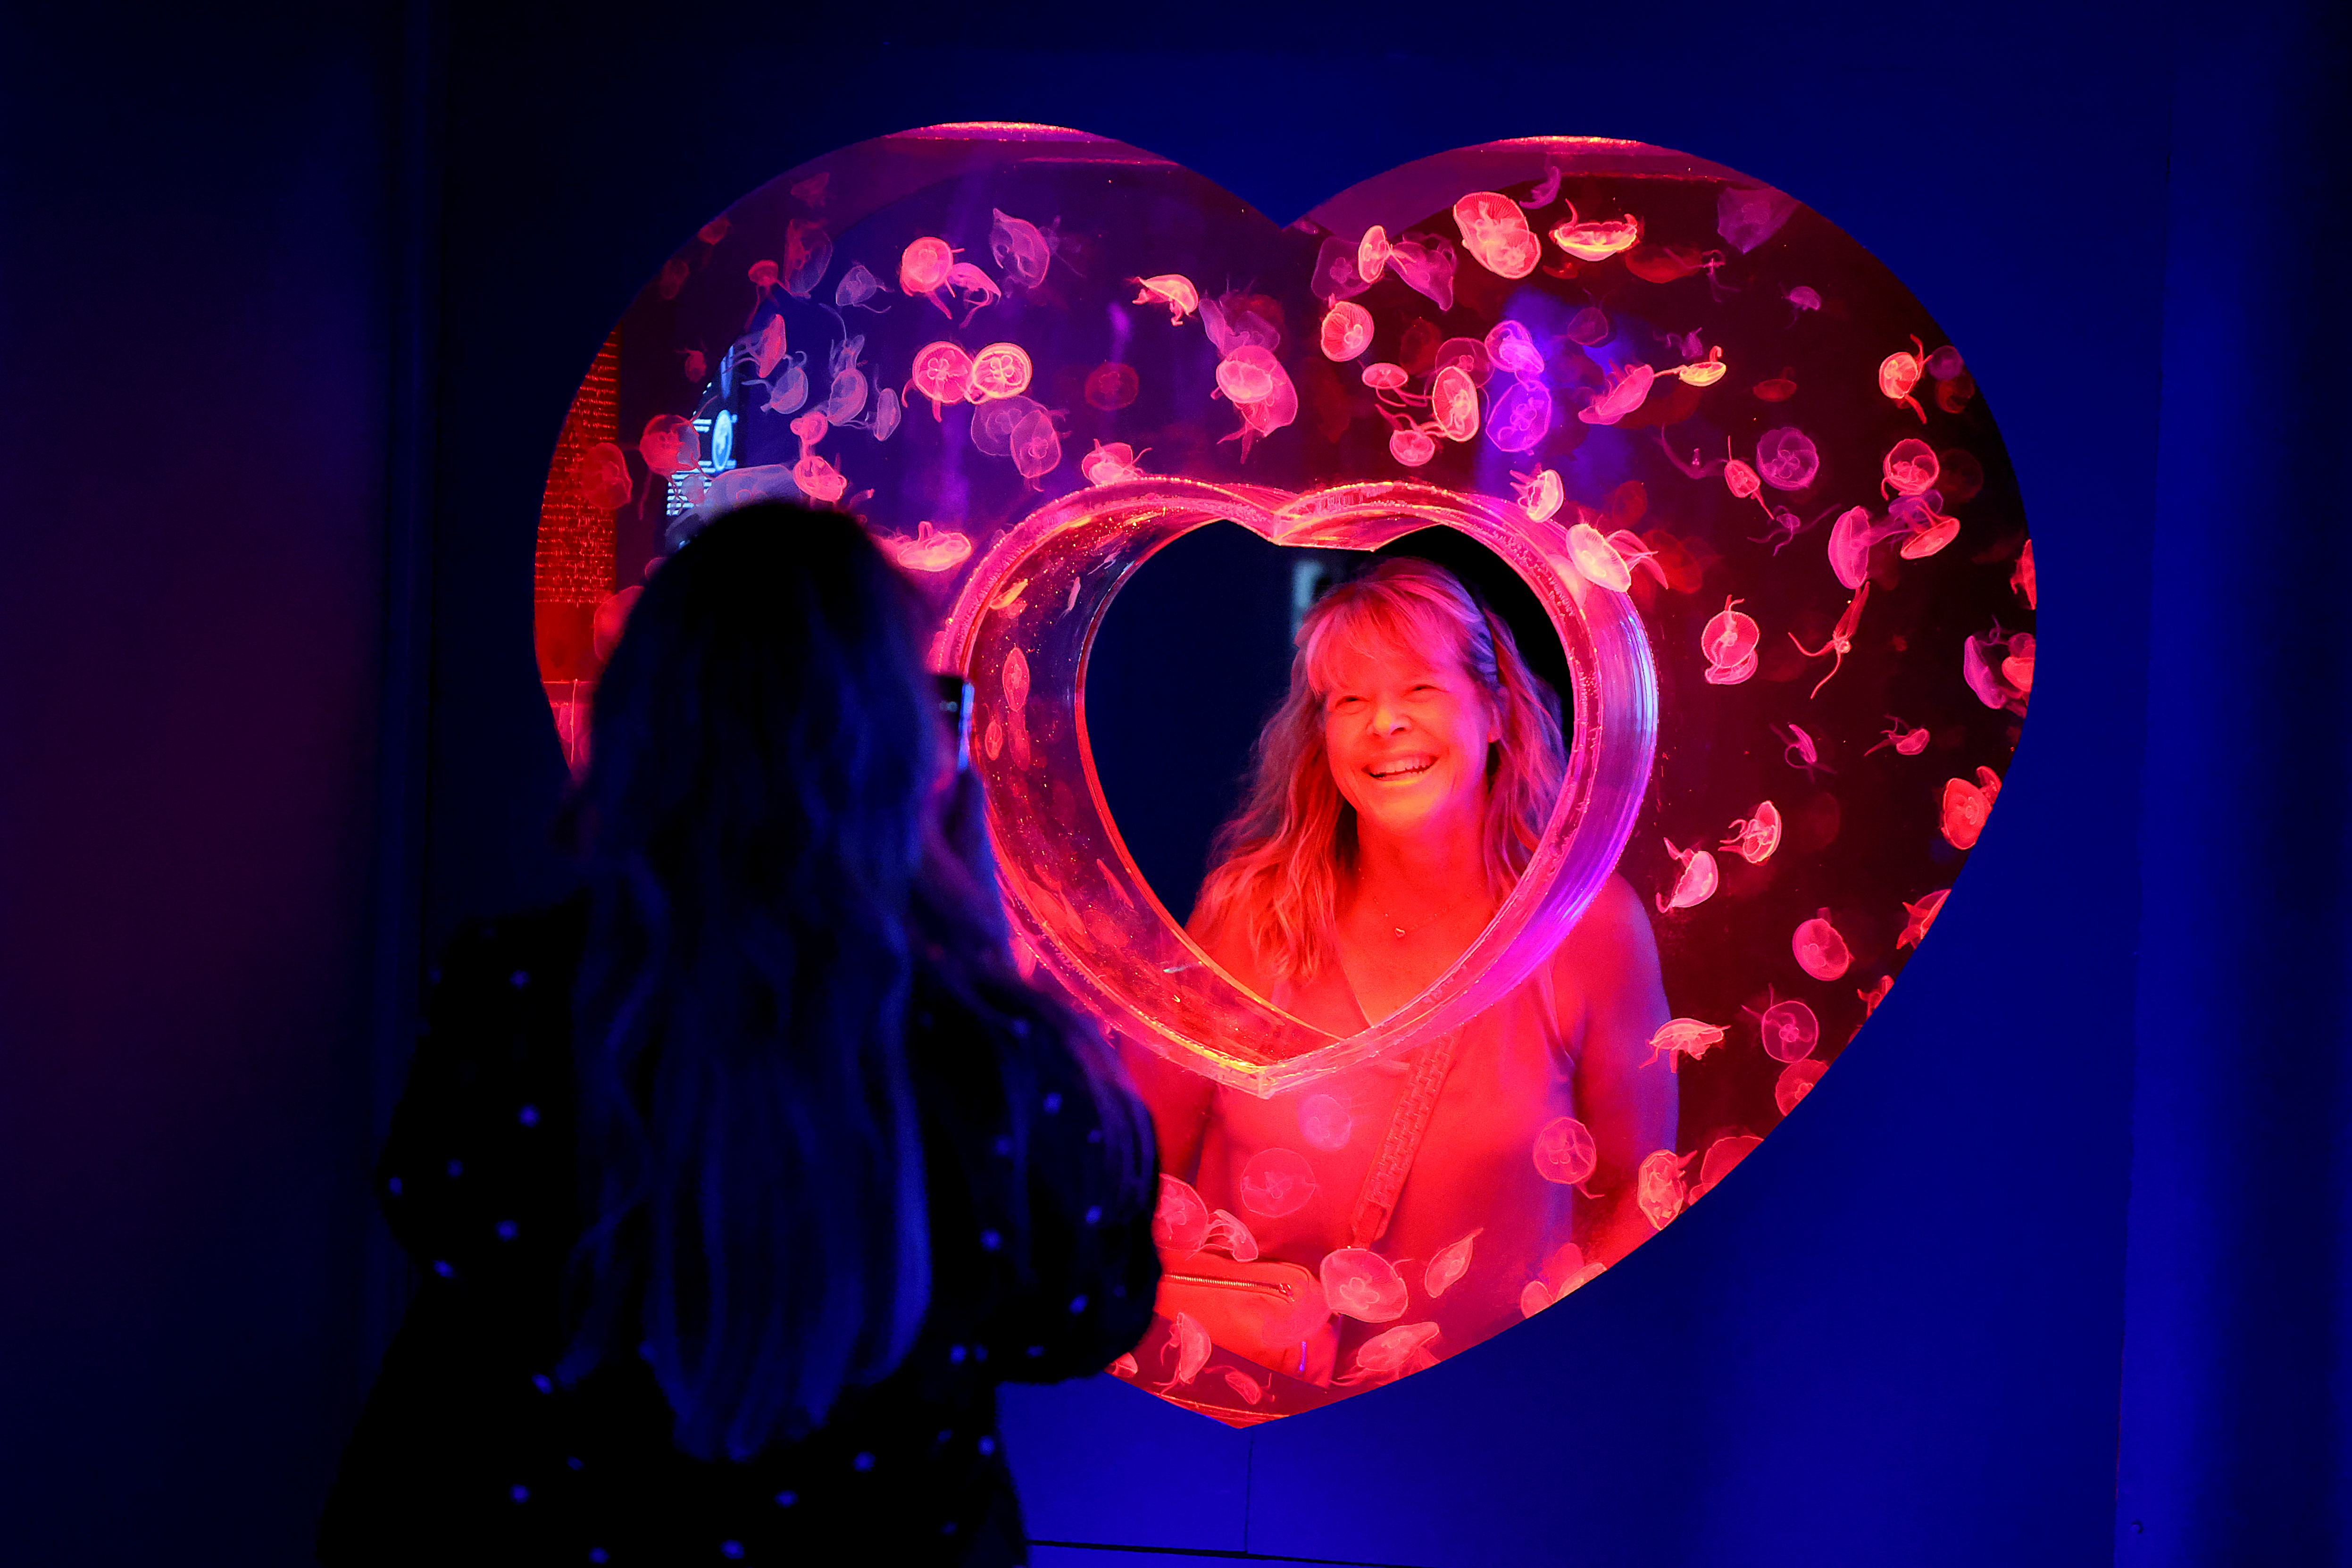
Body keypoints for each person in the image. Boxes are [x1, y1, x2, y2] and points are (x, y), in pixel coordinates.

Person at [320, 503, 1159, 1564]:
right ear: (906, 748)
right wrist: (981, 968)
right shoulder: (994, 1062)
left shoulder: (515, 990)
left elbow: (440, 1220)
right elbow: (1081, 1319)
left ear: (638, 725)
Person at [1132, 555, 1673, 1398]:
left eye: (1419, 688)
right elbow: (1131, 1171)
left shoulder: (1589, 927)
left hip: (1480, 1436)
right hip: (1237, 1429)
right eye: (1349, 700)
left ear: (1493, 712)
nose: (1384, 723)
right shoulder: (1248, 915)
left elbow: (1640, 1210)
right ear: (1322, 736)